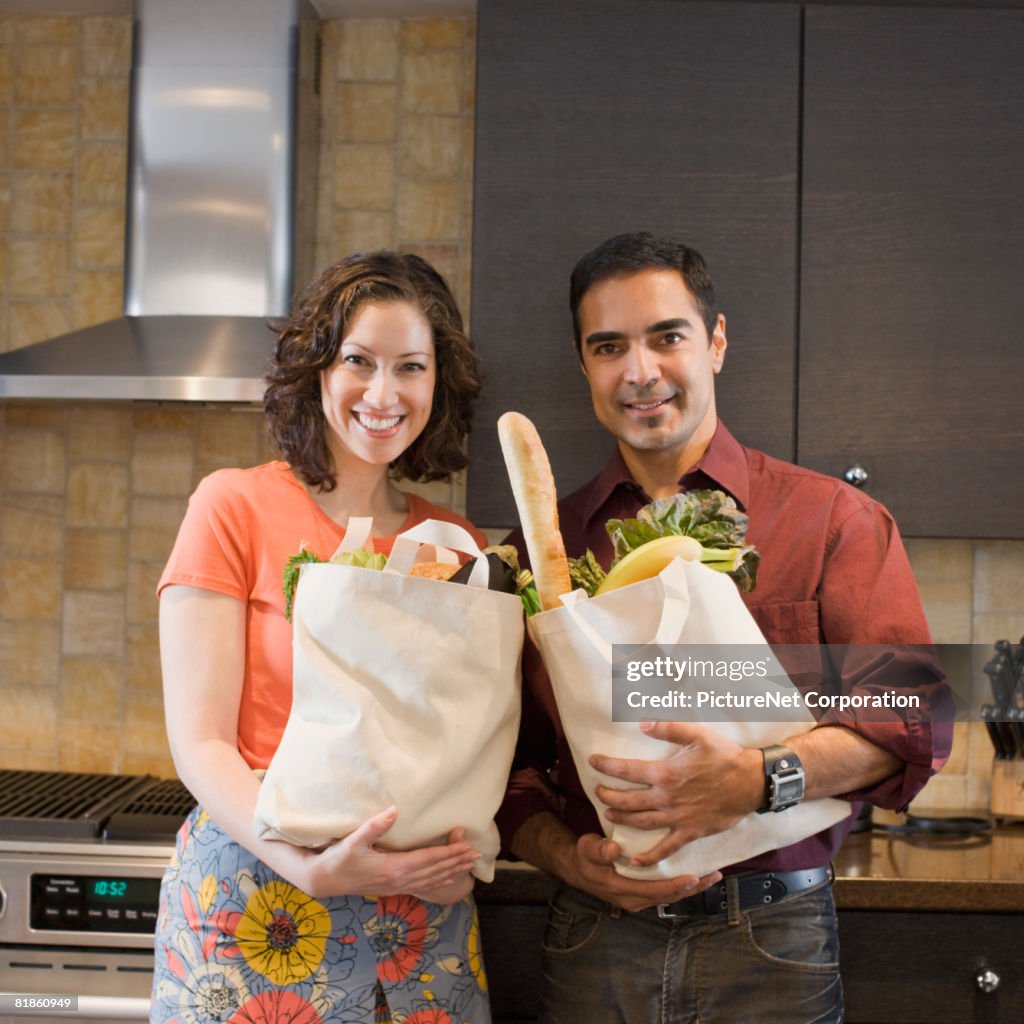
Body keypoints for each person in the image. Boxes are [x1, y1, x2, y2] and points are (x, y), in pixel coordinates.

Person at [497, 232, 953, 1023]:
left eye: (666, 337)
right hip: (593, 935)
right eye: (609, 347)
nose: (639, 372)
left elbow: (914, 719)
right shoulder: (541, 551)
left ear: (715, 342)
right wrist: (564, 856)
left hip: (774, 940)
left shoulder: (831, 522)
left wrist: (759, 777)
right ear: (584, 366)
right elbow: (511, 767)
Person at [152, 251, 492, 1024]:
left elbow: (463, 749)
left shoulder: (455, 544)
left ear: (438, 386)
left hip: (416, 919)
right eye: (358, 362)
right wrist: (310, 868)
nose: (384, 393)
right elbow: (201, 744)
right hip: (252, 890)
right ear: (316, 371)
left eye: (411, 366)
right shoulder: (232, 507)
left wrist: (462, 869)